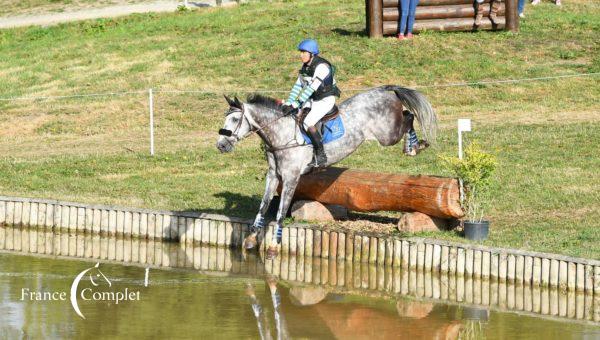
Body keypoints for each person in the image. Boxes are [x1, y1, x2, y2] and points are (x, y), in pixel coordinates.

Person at [282, 39, 340, 168]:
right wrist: (289, 103)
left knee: (308, 122)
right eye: (301, 52)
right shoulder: (305, 67)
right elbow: (297, 86)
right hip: (313, 99)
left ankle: (321, 155)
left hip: (325, 99)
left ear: (312, 54)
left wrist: (296, 103)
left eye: (304, 52)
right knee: (296, 116)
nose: (301, 55)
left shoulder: (322, 67)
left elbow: (311, 88)